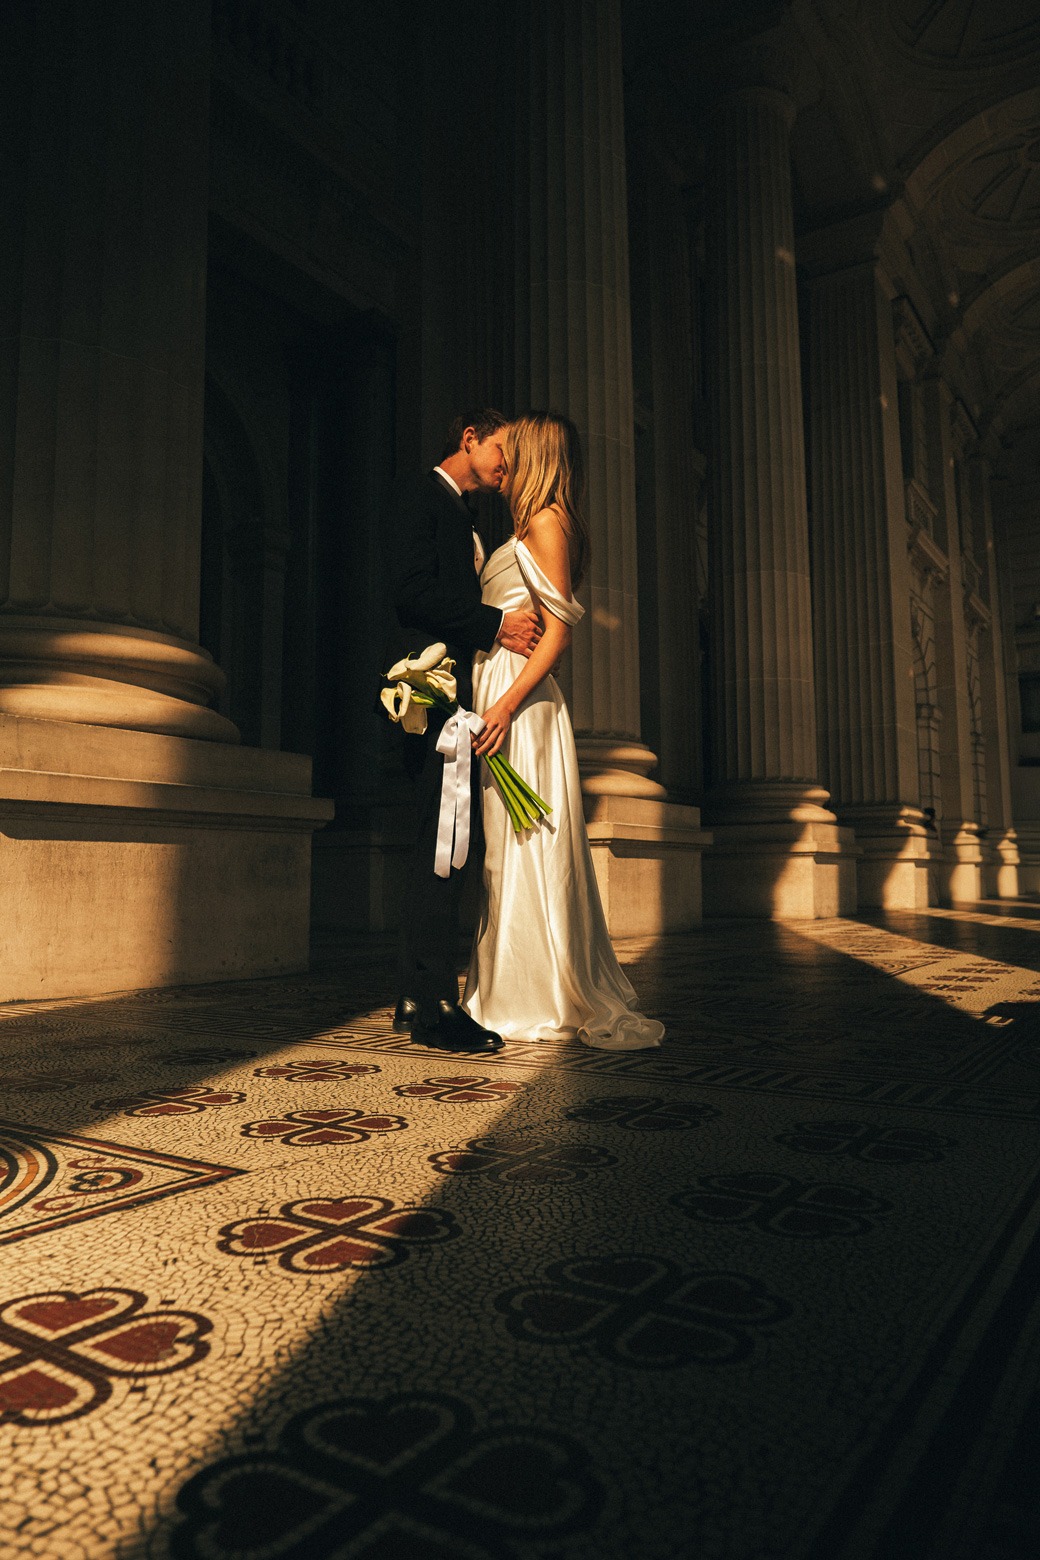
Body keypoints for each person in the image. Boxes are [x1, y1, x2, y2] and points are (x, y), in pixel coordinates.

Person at [463, 411, 664, 1050]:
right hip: (498, 691)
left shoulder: (548, 521)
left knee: (519, 844)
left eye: (510, 449)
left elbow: (559, 633)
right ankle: (507, 980)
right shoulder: (525, 524)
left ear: (534, 455)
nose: (501, 459)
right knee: (499, 845)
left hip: (520, 705)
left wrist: (505, 706)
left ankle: (534, 991)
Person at [387, 409, 543, 1053]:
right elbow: (409, 592)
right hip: (430, 696)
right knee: (443, 845)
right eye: (501, 448)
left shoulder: (470, 517)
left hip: (461, 699)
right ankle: (434, 1004)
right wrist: (494, 626)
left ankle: (416, 993)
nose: (507, 464)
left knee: (447, 844)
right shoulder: (421, 497)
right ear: (468, 438)